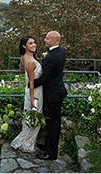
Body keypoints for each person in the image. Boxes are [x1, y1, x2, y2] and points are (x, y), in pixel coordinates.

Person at [31, 30, 67, 161]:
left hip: (52, 94)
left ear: (53, 40)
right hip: (58, 91)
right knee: (53, 123)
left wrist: (31, 84)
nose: (44, 40)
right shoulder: (61, 51)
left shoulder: (51, 57)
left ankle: (51, 154)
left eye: (47, 38)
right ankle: (49, 148)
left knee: (52, 125)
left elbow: (45, 78)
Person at [10, 35, 44, 153]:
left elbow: (20, 70)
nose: (34, 45)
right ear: (24, 46)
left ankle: (27, 142)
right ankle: (25, 143)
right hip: (34, 92)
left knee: (29, 118)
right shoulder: (29, 61)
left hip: (31, 91)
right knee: (34, 118)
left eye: (34, 42)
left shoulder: (23, 58)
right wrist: (32, 101)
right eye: (30, 43)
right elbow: (31, 82)